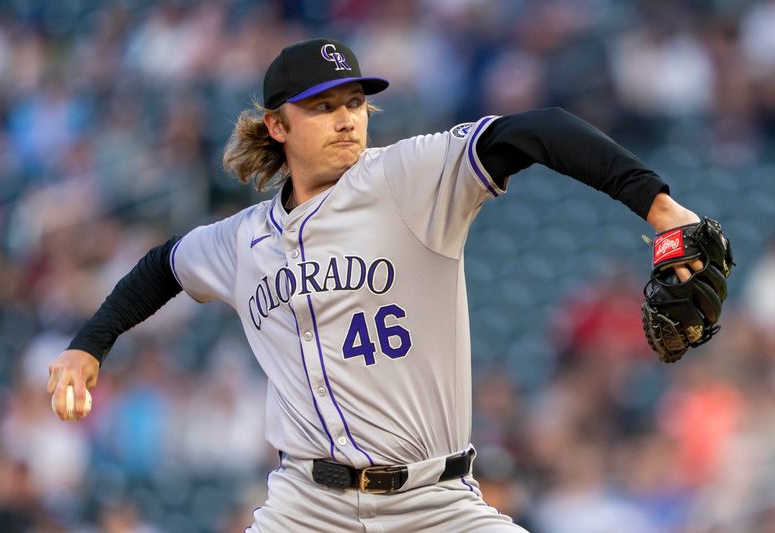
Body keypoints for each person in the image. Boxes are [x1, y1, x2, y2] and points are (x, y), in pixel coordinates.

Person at [48, 38, 706, 532]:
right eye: (323, 106)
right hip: (307, 505)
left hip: (435, 500)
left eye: (355, 102)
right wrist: (90, 342)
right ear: (277, 126)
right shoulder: (240, 241)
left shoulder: (407, 177)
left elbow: (536, 131)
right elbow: (164, 265)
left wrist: (661, 208)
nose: (346, 118)